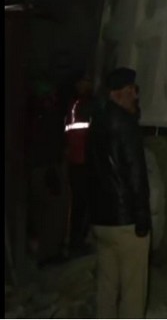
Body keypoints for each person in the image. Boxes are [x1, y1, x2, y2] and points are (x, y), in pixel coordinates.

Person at [88, 67, 151, 319]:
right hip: (126, 223)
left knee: (106, 288)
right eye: (133, 91)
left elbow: (89, 172)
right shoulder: (127, 125)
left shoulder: (97, 122)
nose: (136, 96)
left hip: (102, 222)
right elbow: (136, 176)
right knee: (133, 293)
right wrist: (142, 216)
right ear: (123, 92)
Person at [63, 72, 94, 255]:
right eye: (84, 82)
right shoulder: (77, 105)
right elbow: (75, 133)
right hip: (79, 162)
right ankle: (76, 242)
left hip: (83, 161)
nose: (87, 85)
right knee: (79, 205)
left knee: (84, 204)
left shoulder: (86, 104)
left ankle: (79, 240)